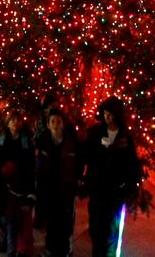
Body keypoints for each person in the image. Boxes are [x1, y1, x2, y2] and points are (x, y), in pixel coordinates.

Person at [80, 97, 142, 257]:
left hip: (115, 192)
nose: (108, 117)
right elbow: (85, 155)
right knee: (96, 229)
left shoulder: (125, 137)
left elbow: (132, 164)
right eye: (105, 113)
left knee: (112, 230)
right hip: (97, 189)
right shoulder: (95, 133)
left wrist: (129, 185)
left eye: (111, 114)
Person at [36, 106, 81, 257]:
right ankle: (50, 248)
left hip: (65, 189)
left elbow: (78, 164)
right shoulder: (42, 142)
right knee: (51, 220)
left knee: (65, 222)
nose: (56, 124)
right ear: (48, 124)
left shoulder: (71, 143)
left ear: (63, 124)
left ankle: (64, 250)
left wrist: (77, 180)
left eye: (58, 121)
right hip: (48, 189)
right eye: (53, 121)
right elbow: (39, 165)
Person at [0, 113, 37, 256]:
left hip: (22, 182)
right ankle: (3, 240)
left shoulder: (26, 139)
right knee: (5, 215)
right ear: (7, 123)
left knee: (22, 217)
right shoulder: (1, 138)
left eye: (18, 120)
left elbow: (29, 163)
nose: (15, 122)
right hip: (6, 181)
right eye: (12, 120)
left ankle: (23, 248)